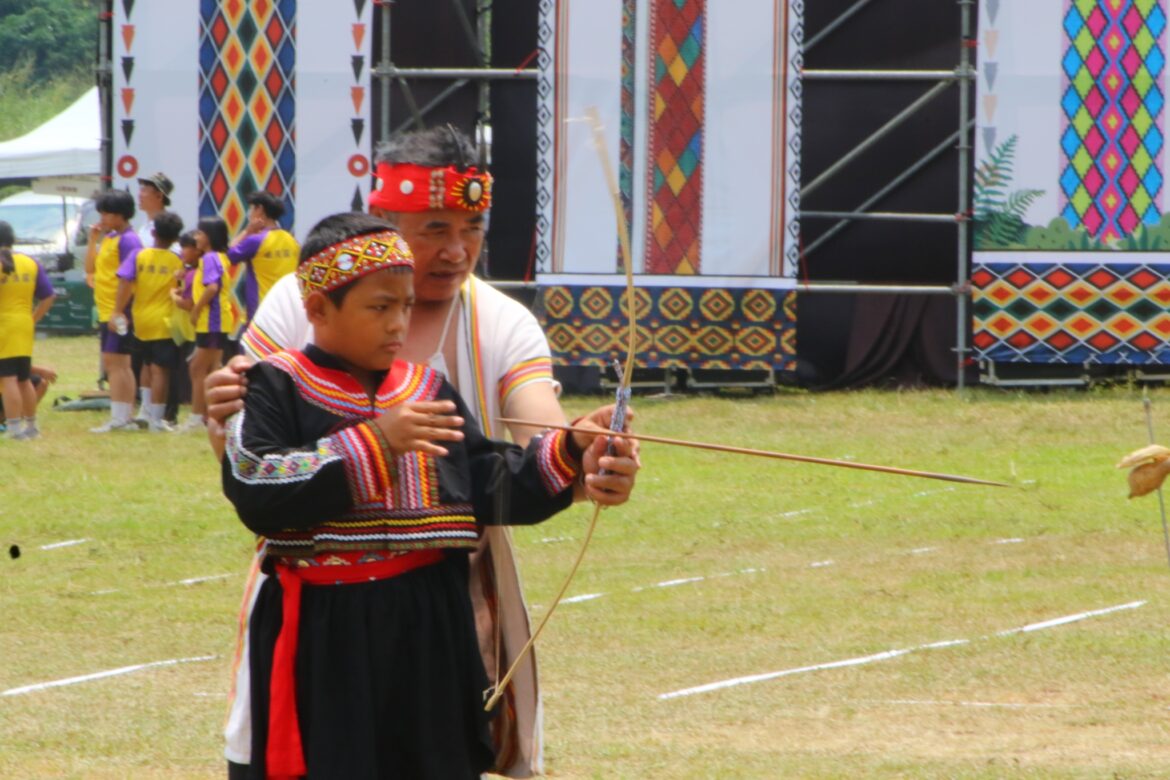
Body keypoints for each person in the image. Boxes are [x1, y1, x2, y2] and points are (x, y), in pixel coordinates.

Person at [207, 127, 638, 778]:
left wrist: (577, 449)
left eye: (472, 228)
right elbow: (250, 474)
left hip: (435, 617)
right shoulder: (283, 360)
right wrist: (374, 440)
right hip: (320, 619)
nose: (456, 250)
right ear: (318, 307)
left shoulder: (447, 369)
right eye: (434, 229)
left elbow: (493, 472)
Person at [112, 211, 185, 432]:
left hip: (141, 319)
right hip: (165, 322)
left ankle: (144, 411)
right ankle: (157, 419)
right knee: (160, 370)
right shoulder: (178, 261)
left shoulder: (138, 255)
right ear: (176, 238)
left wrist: (118, 311)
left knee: (145, 364)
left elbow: (125, 282)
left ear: (153, 233)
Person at [84, 190, 143, 433]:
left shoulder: (129, 240)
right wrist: (93, 240)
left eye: (107, 214)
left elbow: (129, 279)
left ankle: (120, 418)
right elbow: (90, 269)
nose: (103, 218)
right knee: (119, 363)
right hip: (106, 309)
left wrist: (119, 311)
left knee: (116, 364)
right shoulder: (110, 238)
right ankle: (124, 417)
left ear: (121, 215)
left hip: (119, 310)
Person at [0, 221, 56, 440]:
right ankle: (31, 427)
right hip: (24, 323)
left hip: (4, 325)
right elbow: (48, 296)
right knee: (23, 378)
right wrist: (33, 319)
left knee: (7, 378)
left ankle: (14, 428)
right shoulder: (31, 262)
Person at [182, 216, 236, 432]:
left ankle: (197, 417)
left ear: (210, 237)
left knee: (198, 367)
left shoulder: (210, 258)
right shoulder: (219, 257)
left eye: (200, 233)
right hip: (216, 322)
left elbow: (212, 287)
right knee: (212, 368)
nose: (197, 237)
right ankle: (212, 415)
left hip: (212, 321)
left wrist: (196, 310)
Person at [133, 172, 176, 422]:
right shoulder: (143, 227)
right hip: (143, 306)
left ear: (159, 196)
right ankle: (146, 409)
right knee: (145, 362)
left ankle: (158, 413)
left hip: (161, 309)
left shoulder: (165, 229)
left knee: (159, 365)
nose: (139, 196)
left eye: (145, 191)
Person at [227, 190, 299, 324]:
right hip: (287, 311)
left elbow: (228, 256)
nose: (250, 214)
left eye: (252, 209)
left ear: (260, 209)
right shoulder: (291, 240)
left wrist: (247, 231)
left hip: (261, 312)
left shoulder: (255, 241)